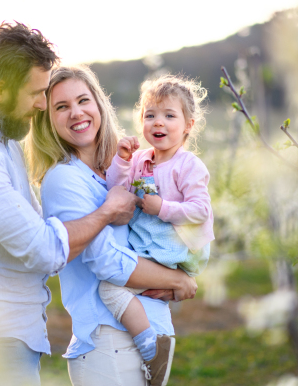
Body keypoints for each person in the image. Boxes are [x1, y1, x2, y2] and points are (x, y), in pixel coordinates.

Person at [0, 22, 140, 386]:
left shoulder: (2, 139)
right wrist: (107, 212)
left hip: (11, 339)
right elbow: (43, 249)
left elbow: (41, 232)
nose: (41, 105)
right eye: (36, 94)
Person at [28, 65, 197, 386]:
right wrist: (177, 279)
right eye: (61, 107)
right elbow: (107, 261)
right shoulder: (64, 178)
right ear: (47, 120)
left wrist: (182, 269)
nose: (76, 112)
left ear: (99, 103)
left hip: (146, 335)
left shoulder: (124, 168)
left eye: (83, 100)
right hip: (109, 342)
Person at [99, 74, 214, 385]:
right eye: (150, 115)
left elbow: (200, 210)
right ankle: (163, 296)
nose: (158, 122)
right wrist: (121, 161)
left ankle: (150, 347)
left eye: (169, 115)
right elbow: (116, 192)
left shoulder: (188, 165)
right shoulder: (139, 160)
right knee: (132, 287)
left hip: (168, 245)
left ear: (189, 124)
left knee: (109, 289)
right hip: (147, 244)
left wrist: (162, 207)